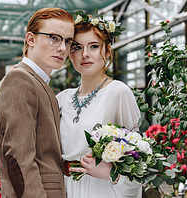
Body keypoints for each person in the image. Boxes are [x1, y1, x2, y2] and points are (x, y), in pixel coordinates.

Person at [56, 11, 143, 198]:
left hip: (102, 189)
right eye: (77, 47)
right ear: (70, 54)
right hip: (66, 188)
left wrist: (112, 174)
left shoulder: (118, 92)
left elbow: (138, 162)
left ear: (107, 51)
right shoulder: (61, 99)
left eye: (93, 46)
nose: (85, 54)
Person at [0, 7, 74, 198]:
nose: (63, 48)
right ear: (31, 39)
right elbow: (19, 161)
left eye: (68, 41)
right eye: (54, 38)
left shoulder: (37, 82)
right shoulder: (20, 81)